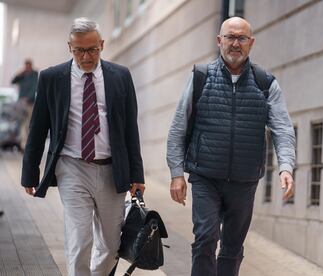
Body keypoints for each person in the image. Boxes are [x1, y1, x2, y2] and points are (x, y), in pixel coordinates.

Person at [167, 17, 296, 276]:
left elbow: (282, 129)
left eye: (242, 38)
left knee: (232, 247)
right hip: (205, 176)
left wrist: (286, 167)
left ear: (251, 43)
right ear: (219, 41)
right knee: (205, 238)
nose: (235, 43)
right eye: (230, 37)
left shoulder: (265, 83)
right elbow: (178, 127)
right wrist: (176, 173)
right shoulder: (200, 77)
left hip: (244, 180)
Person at [21, 18, 145, 276]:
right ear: (70, 47)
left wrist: (137, 175)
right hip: (72, 167)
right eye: (79, 50)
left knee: (111, 245)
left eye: (92, 50)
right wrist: (30, 173)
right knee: (80, 240)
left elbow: (130, 130)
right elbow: (38, 128)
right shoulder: (52, 78)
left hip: (112, 170)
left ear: (101, 45)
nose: (86, 57)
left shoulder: (120, 76)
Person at [11, 59, 38, 150]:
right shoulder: (22, 75)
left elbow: (35, 88)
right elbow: (13, 81)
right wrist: (20, 74)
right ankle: (22, 143)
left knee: (28, 123)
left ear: (31, 65)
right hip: (21, 103)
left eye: (28, 66)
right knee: (21, 123)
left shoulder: (35, 75)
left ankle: (27, 143)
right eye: (26, 66)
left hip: (30, 103)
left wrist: (28, 98)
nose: (27, 68)